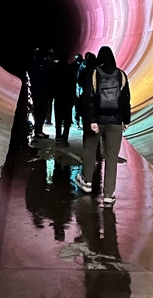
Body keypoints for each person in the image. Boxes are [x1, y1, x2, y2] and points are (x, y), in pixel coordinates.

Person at [75, 46, 130, 206]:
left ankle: (87, 182)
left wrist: (91, 120)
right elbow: (125, 100)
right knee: (111, 158)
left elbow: (88, 98)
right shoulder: (121, 75)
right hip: (115, 122)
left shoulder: (93, 73)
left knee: (90, 149)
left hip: (97, 121)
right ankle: (108, 195)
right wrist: (125, 120)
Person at [52, 53, 78, 145]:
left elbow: (51, 82)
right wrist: (73, 97)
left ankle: (57, 136)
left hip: (58, 97)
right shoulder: (70, 69)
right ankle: (65, 137)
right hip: (67, 98)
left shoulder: (54, 68)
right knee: (67, 119)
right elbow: (73, 84)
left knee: (58, 118)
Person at [28, 48, 52, 138]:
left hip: (35, 91)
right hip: (44, 92)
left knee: (37, 111)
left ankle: (37, 129)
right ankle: (38, 131)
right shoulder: (46, 65)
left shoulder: (32, 65)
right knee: (42, 112)